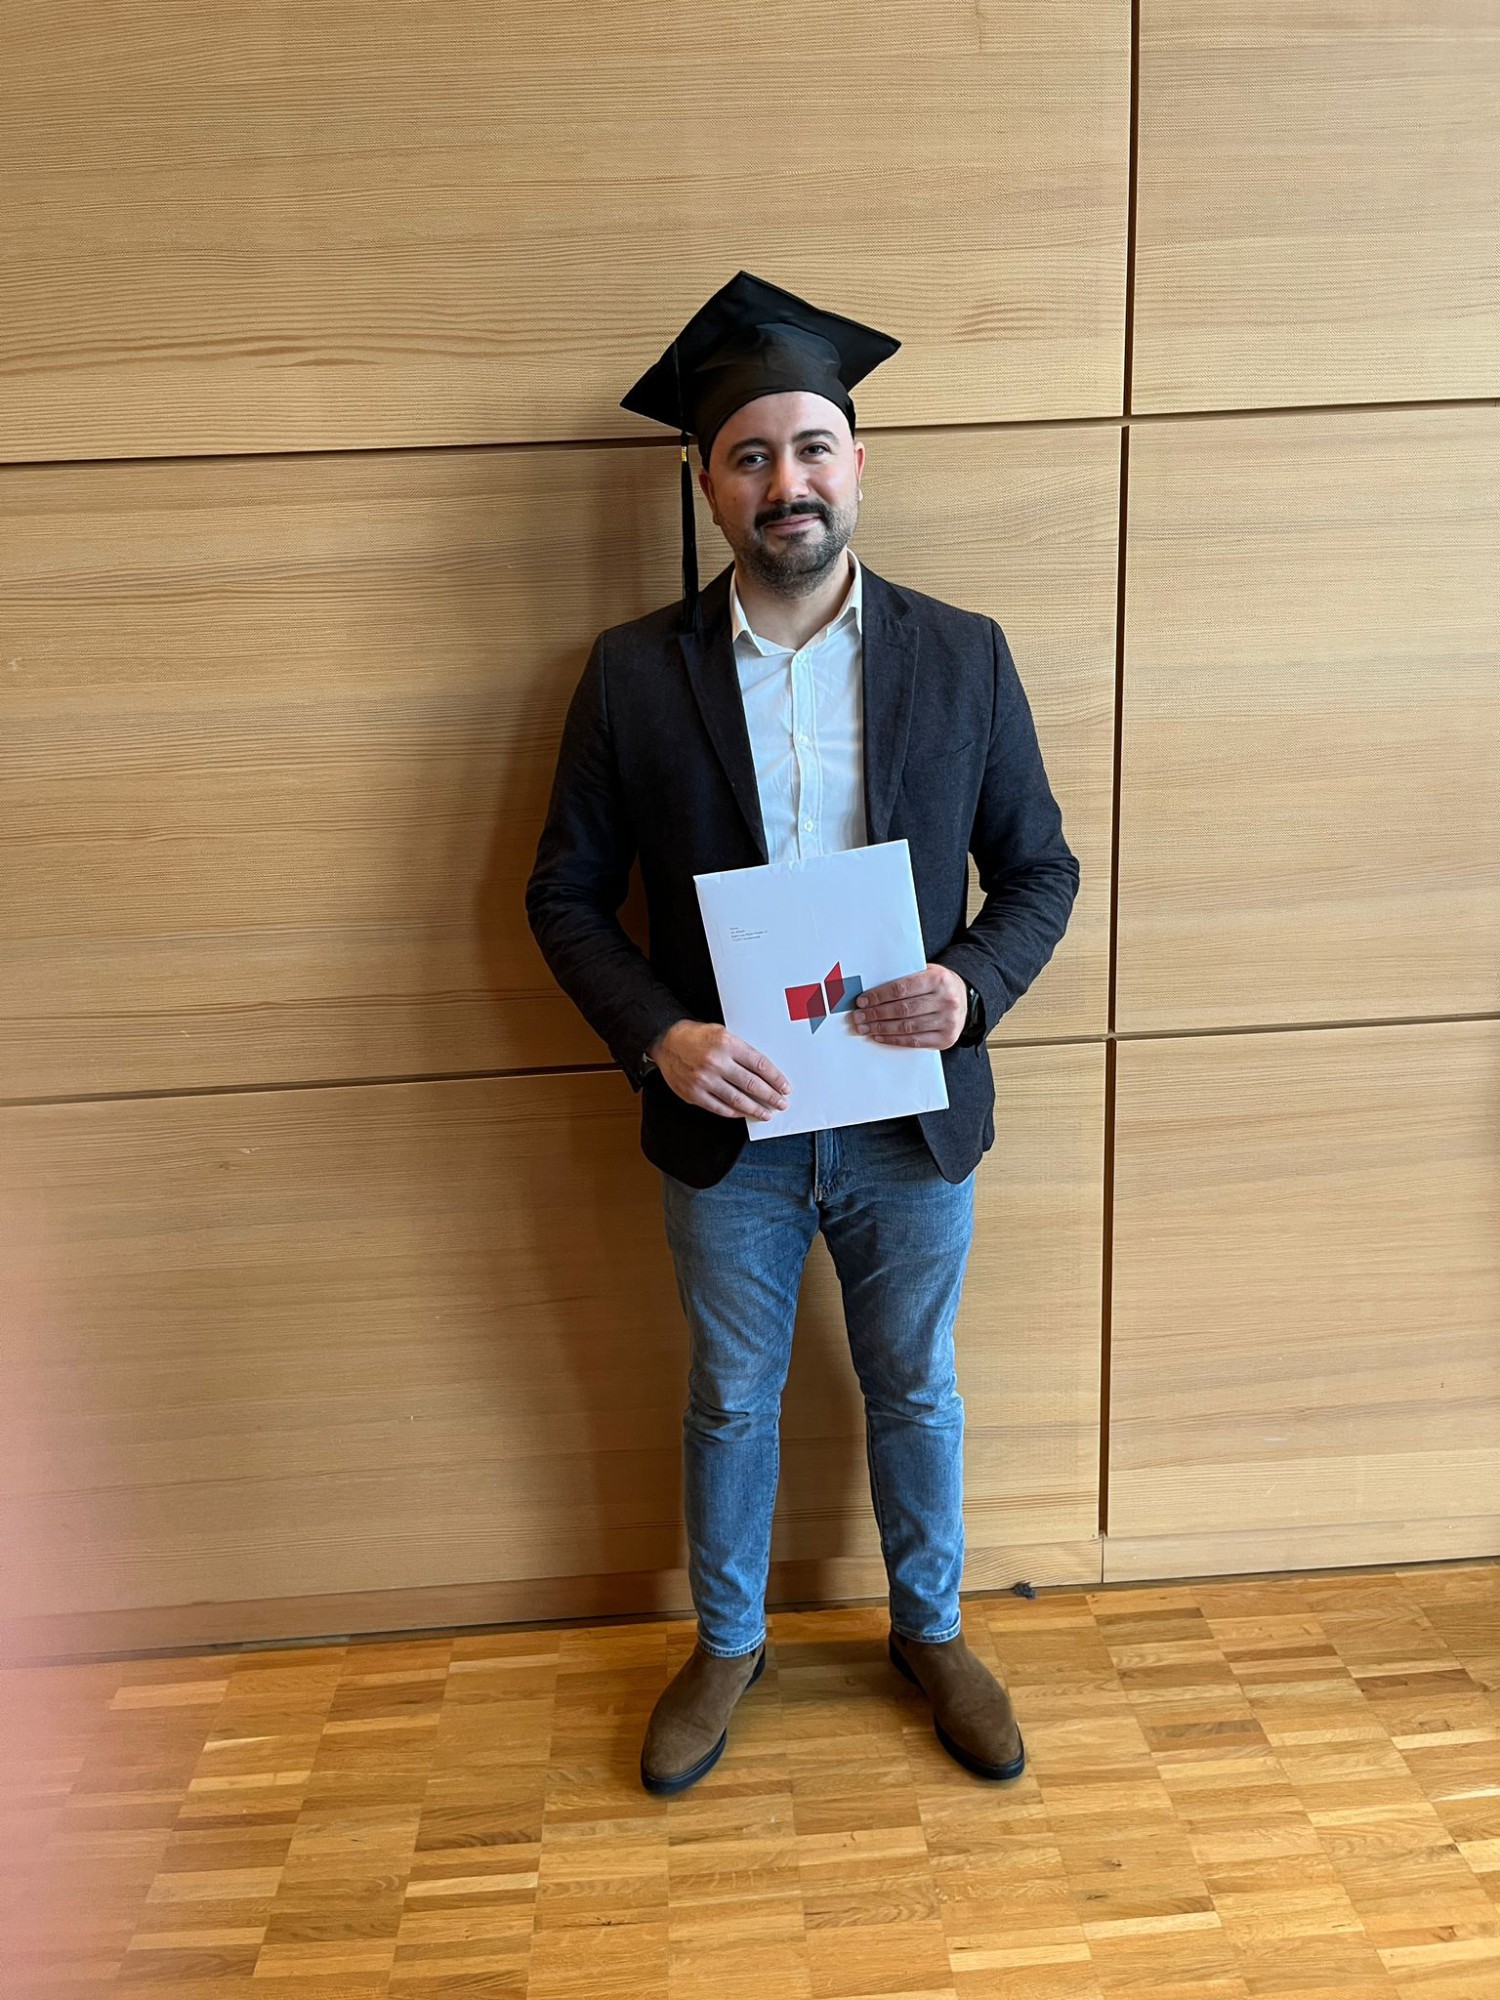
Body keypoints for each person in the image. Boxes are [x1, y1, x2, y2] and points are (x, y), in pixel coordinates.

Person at [526, 271, 1080, 1795]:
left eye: (813, 447)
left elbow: (1040, 871)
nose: (789, 482)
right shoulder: (631, 675)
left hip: (909, 1111)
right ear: (706, 484)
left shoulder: (963, 655)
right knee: (729, 1395)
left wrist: (970, 984)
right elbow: (564, 896)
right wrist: (661, 1037)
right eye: (752, 456)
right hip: (733, 1124)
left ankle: (932, 1631)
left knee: (916, 1385)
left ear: (858, 462)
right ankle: (727, 1644)